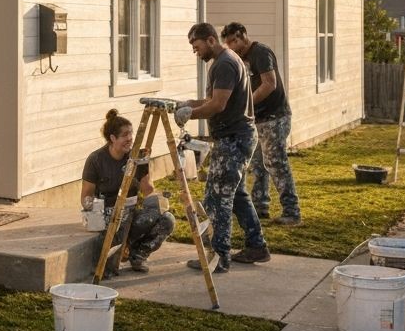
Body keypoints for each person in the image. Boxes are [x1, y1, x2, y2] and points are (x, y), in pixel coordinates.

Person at [173, 22, 269, 273]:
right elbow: (212, 99)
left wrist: (189, 114)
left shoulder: (225, 64)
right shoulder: (227, 60)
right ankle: (256, 245)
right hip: (240, 136)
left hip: (234, 139)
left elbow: (218, 105)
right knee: (236, 194)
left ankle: (219, 257)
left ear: (211, 40)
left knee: (217, 198)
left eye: (197, 47)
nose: (196, 52)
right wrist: (188, 103)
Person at [220, 22, 301, 226]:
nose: (231, 46)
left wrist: (246, 104)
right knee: (257, 164)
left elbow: (269, 84)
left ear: (243, 36)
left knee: (276, 163)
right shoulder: (239, 59)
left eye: (233, 41)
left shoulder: (261, 52)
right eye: (227, 43)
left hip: (275, 117)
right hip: (257, 119)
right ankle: (260, 206)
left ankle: (292, 212)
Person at [81, 109, 176, 274]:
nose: (130, 139)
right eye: (125, 135)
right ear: (112, 138)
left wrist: (144, 166)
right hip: (104, 215)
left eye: (131, 134)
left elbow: (148, 190)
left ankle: (137, 255)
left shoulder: (135, 156)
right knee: (108, 271)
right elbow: (86, 197)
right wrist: (95, 216)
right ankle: (121, 248)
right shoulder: (96, 160)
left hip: (130, 212)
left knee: (167, 219)